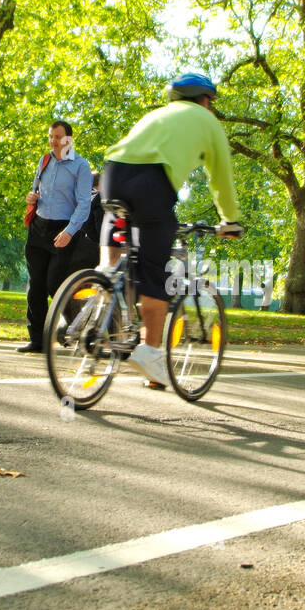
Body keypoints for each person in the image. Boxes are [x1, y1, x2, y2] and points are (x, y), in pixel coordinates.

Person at [98, 73, 244, 385]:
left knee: (125, 237)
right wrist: (229, 220)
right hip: (151, 183)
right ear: (205, 100)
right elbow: (221, 177)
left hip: (112, 174)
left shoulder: (158, 114)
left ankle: (106, 284)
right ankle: (150, 354)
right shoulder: (207, 121)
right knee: (155, 270)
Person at [17, 120, 92, 354]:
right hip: (38, 227)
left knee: (55, 284)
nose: (53, 141)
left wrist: (69, 231)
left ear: (69, 139)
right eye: (50, 136)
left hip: (63, 229)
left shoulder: (81, 166)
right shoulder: (44, 160)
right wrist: (32, 198)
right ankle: (37, 340)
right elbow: (37, 192)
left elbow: (84, 204)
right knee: (35, 286)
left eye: (58, 137)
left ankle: (81, 327)